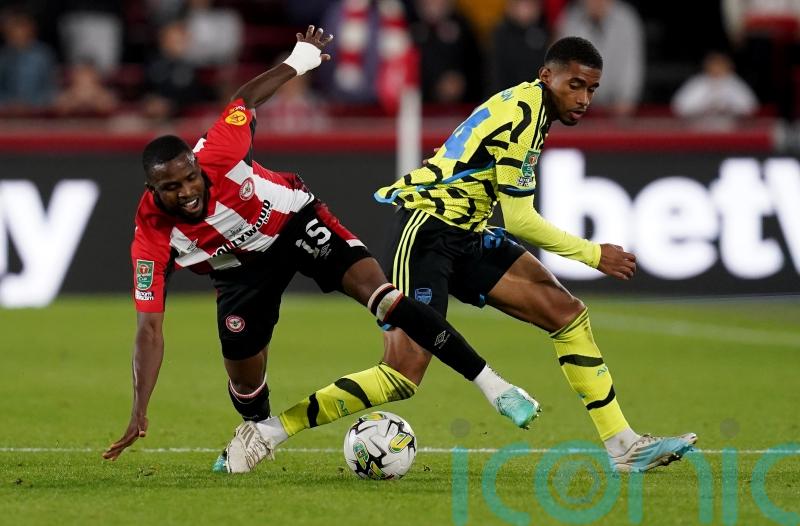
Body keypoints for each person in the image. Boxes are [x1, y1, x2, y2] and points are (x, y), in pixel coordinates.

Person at [102, 25, 539, 473]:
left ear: (197, 165)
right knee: (244, 379)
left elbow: (245, 100)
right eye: (171, 188)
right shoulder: (151, 234)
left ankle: (494, 385)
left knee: (385, 296)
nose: (188, 192)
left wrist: (298, 61)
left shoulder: (218, 150)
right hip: (239, 270)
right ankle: (259, 430)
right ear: (153, 190)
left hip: (296, 223)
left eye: (190, 178)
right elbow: (148, 330)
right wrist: (139, 408)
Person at [365, 36, 697, 473]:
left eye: (591, 90)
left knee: (566, 313)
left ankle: (624, 445)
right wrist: (593, 254)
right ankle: (273, 427)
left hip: (467, 235)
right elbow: (520, 220)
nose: (583, 99)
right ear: (547, 76)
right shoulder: (523, 116)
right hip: (427, 229)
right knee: (404, 372)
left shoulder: (535, 110)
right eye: (575, 85)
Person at [556, 0, 644, 118]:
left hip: (617, 108)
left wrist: (626, 98)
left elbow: (631, 67)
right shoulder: (570, 19)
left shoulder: (626, 19)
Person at [671, 51, 758, 123]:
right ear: (707, 67)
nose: (717, 68)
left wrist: (728, 107)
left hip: (731, 125)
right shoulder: (698, 82)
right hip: (699, 126)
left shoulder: (734, 82)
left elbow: (750, 106)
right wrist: (705, 106)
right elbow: (680, 106)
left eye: (720, 65)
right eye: (714, 65)